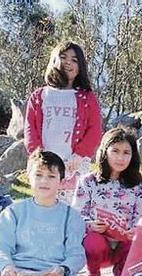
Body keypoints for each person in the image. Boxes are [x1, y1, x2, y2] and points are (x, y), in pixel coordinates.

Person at [24, 41, 103, 203]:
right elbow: (30, 128)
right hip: (44, 163)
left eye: (74, 60)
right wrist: (37, 153)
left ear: (80, 66)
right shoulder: (39, 96)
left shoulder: (87, 97)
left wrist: (80, 155)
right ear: (54, 61)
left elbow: (94, 130)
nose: (68, 62)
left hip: (75, 164)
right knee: (44, 206)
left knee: (73, 210)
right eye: (63, 57)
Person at [72, 127, 142, 276]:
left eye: (126, 152)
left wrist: (135, 230)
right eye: (115, 151)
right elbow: (76, 215)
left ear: (133, 155)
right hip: (98, 245)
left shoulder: (137, 185)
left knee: (137, 242)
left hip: (123, 244)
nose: (120, 157)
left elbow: (141, 216)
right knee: (93, 241)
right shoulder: (88, 181)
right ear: (105, 151)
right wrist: (90, 224)